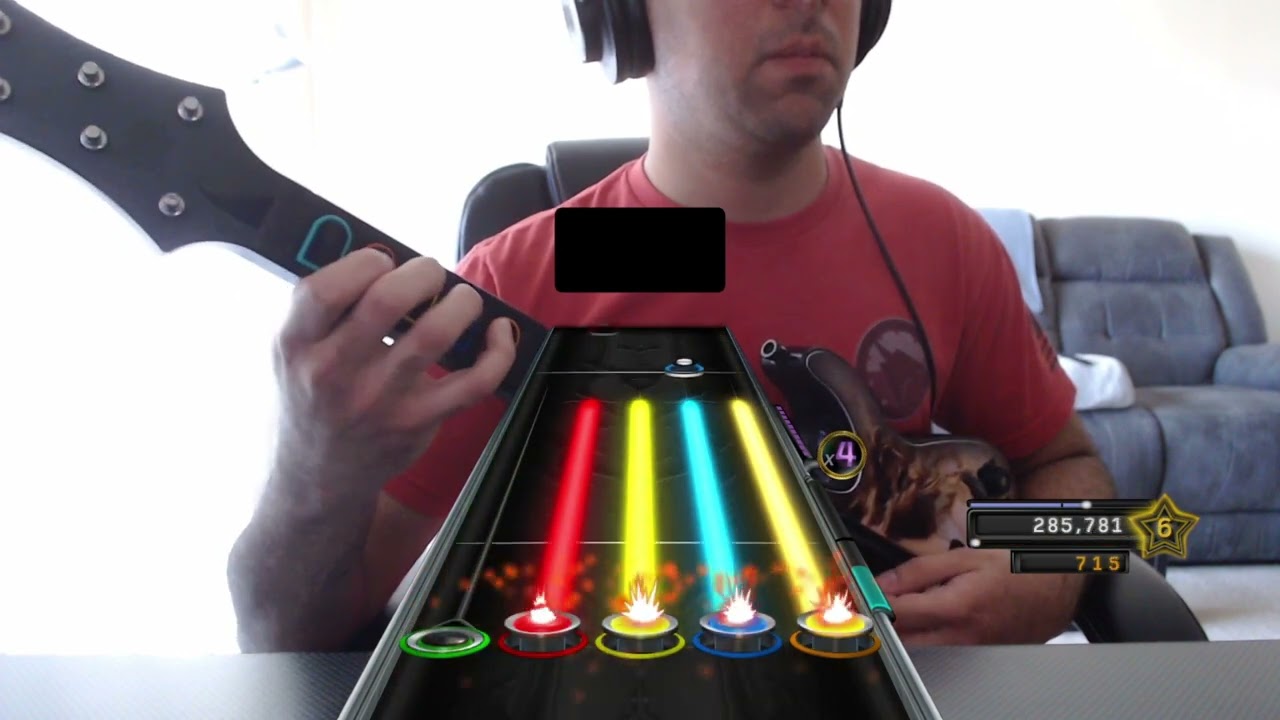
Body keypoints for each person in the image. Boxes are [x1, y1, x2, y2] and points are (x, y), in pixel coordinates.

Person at [228, 0, 1115, 652]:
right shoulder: (524, 282)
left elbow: (1077, 474)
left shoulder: (941, 239)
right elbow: (284, 639)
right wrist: (311, 470)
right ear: (623, 18)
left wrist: (1048, 571)